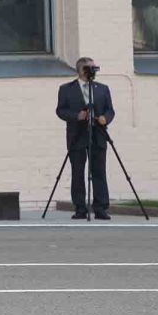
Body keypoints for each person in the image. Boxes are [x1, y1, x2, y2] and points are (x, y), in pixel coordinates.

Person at [55, 57, 115, 220]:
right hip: (77, 135)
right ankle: (80, 207)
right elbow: (60, 111)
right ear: (81, 70)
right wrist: (76, 116)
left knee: (99, 171)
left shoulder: (102, 89)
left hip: (98, 135)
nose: (93, 71)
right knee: (78, 172)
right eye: (90, 68)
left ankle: (101, 207)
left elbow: (110, 110)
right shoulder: (66, 89)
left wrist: (105, 118)